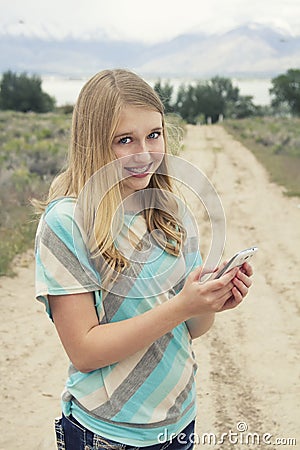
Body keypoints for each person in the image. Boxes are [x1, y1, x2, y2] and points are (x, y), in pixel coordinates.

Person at [34, 69, 253, 450]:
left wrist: (211, 300)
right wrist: (180, 307)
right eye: (124, 140)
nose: (145, 153)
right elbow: (85, 352)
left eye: (154, 134)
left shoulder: (170, 211)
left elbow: (192, 328)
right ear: (93, 144)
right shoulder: (68, 222)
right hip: (107, 433)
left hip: (178, 421)